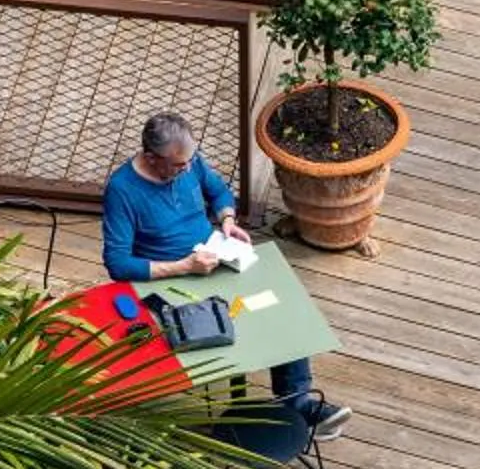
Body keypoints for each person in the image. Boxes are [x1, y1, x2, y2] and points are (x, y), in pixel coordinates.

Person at [103, 111, 350, 438]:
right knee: (218, 327)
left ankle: (298, 402)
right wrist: (184, 267)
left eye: (190, 160)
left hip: (214, 256)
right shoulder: (121, 190)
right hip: (168, 280)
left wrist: (228, 221)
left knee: (280, 307)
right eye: (179, 165)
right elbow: (117, 263)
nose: (188, 168)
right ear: (151, 158)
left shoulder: (188, 160)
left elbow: (219, 192)